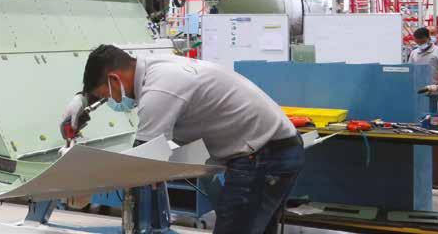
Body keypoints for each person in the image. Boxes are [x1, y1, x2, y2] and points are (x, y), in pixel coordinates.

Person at [62, 45, 304, 234]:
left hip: (262, 157)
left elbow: (142, 163)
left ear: (115, 79)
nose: (114, 101)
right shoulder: (153, 65)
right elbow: (106, 64)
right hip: (275, 149)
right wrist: (83, 99)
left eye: (108, 95)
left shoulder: (159, 89)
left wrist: (84, 181)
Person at [410, 27, 438, 92]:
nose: (420, 44)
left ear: (429, 38)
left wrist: (435, 86)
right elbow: (411, 71)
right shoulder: (414, 53)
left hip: (436, 90)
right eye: (417, 42)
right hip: (418, 89)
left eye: (422, 42)